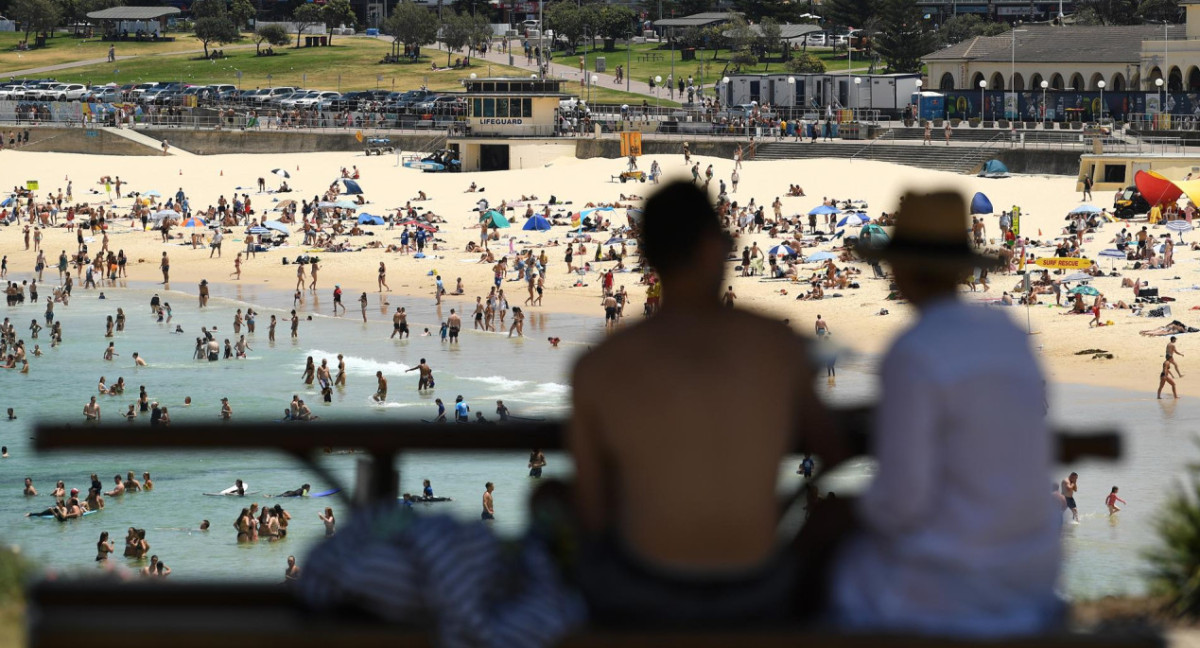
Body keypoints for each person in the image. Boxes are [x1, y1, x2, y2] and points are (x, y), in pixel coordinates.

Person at [568, 181, 838, 626]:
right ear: (715, 248)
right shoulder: (775, 345)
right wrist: (780, 511)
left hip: (644, 590)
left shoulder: (599, 366)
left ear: (649, 258)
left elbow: (593, 511)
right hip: (756, 586)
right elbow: (834, 451)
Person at [834, 189, 1062, 637]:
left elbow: (903, 498)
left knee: (836, 566)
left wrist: (848, 513)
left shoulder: (914, 349)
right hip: (1033, 574)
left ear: (899, 270)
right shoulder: (1007, 333)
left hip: (956, 589)